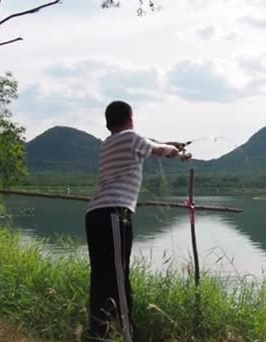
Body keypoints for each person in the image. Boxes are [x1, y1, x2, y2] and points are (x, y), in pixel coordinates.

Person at [85, 100, 181, 341]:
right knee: (119, 276)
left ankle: (98, 333)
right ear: (130, 118)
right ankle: (129, 336)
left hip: (96, 214)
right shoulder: (131, 138)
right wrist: (173, 150)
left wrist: (168, 144)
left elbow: (151, 146)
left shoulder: (108, 143)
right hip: (114, 214)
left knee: (100, 276)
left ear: (108, 123)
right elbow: (158, 150)